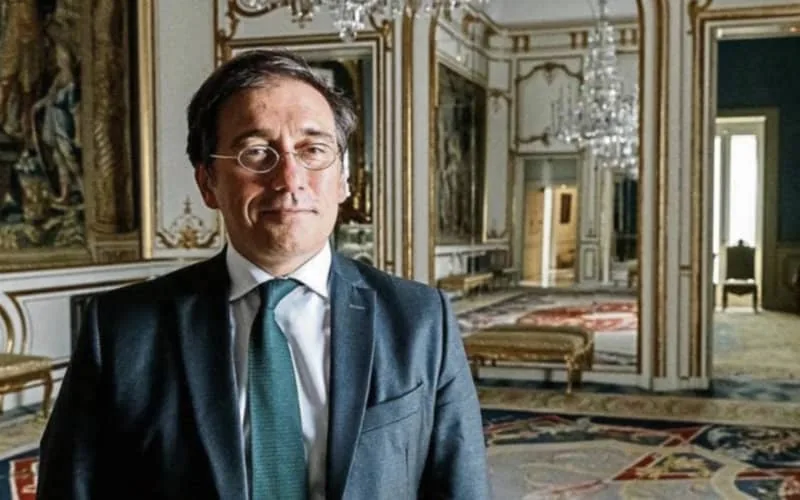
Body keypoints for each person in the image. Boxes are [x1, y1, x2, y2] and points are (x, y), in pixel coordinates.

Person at [37, 49, 490, 499]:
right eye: (256, 152)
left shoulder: (420, 319)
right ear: (208, 182)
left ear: (344, 179)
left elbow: (461, 489)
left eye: (313, 150)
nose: (290, 179)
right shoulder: (122, 329)